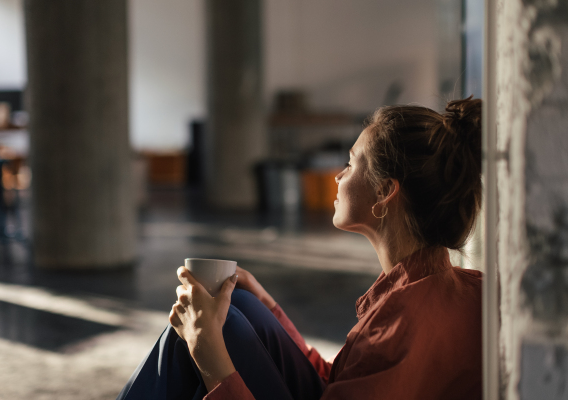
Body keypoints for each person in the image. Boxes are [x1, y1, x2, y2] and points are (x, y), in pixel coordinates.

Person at [117, 97, 483, 400]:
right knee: (236, 306)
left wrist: (209, 355)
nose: (338, 176)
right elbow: (334, 385)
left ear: (385, 192)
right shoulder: (447, 288)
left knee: (203, 338)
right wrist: (266, 303)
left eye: (351, 162)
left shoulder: (402, 325)